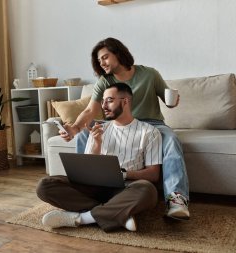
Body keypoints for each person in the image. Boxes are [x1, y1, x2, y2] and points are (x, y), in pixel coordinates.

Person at [61, 37, 190, 220]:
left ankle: (176, 200)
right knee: (84, 135)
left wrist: (173, 102)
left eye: (105, 57)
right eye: (99, 60)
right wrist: (74, 128)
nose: (102, 63)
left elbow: (168, 99)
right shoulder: (104, 81)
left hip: (152, 123)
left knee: (170, 139)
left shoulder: (150, 74)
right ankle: (85, 189)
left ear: (118, 54)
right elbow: (91, 109)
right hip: (115, 122)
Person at [36, 83, 162, 232]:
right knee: (44, 186)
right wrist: (96, 144)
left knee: (148, 191)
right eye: (102, 101)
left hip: (126, 187)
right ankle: (119, 214)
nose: (103, 106)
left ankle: (82, 218)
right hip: (94, 187)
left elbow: (153, 174)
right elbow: (87, 169)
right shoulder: (99, 129)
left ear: (125, 101)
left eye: (109, 100)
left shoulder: (149, 132)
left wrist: (124, 174)